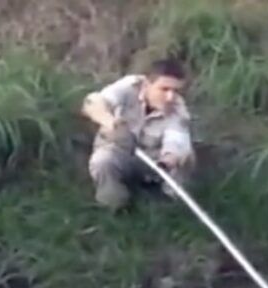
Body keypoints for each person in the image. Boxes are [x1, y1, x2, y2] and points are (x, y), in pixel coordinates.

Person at [80, 58, 196, 211]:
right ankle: (115, 205)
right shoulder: (128, 86)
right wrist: (113, 125)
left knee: (186, 157)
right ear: (147, 85)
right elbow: (91, 103)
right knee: (102, 161)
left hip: (152, 161)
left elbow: (175, 145)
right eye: (164, 89)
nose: (170, 97)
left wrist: (165, 164)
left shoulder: (178, 110)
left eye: (176, 91)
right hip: (119, 150)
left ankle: (166, 201)